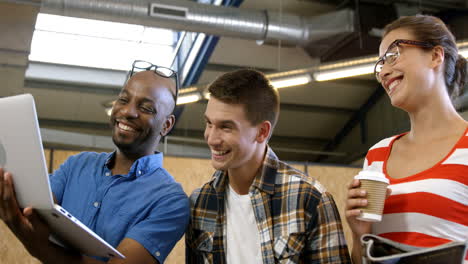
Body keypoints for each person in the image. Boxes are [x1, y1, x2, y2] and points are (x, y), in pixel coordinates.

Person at [0, 61, 190, 264]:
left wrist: (40, 248)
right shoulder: (77, 165)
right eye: (123, 100)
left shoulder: (170, 200)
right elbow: (34, 214)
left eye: (146, 108)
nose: (127, 112)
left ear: (167, 125)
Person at [186, 69, 351, 263]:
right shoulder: (200, 202)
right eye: (208, 123)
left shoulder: (309, 198)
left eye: (226, 127)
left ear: (262, 132)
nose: (212, 138)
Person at [345, 15, 468, 263]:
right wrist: (360, 234)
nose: (384, 71)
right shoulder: (376, 155)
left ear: (435, 56)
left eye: (393, 55)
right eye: (380, 64)